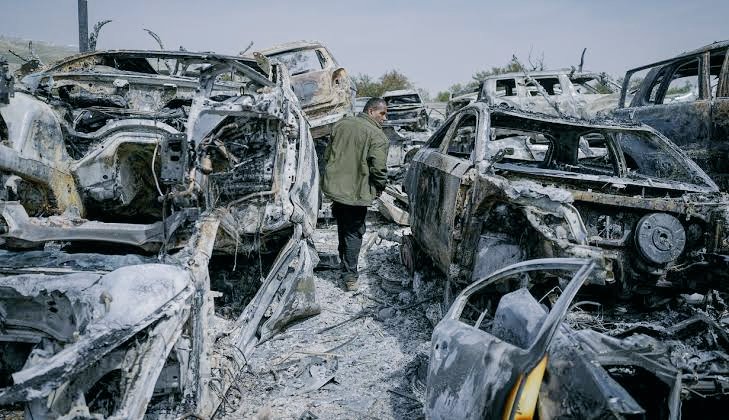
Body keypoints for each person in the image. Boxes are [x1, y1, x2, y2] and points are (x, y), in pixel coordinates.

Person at [321, 97, 389, 291]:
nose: (385, 118)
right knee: (354, 232)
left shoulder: (341, 124)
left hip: (336, 189)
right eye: (382, 113)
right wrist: (380, 186)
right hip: (356, 192)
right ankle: (350, 277)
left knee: (343, 227)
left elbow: (327, 155)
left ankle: (345, 266)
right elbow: (379, 169)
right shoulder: (378, 136)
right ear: (370, 111)